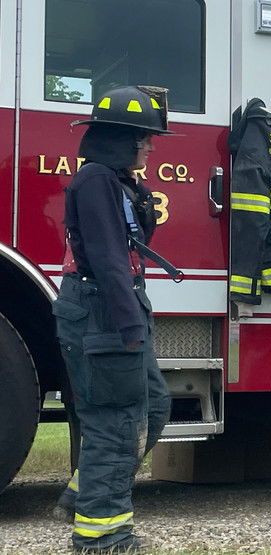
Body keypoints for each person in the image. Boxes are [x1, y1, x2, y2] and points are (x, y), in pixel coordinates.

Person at [52, 86, 175, 553]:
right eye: (144, 138)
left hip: (116, 309)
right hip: (103, 310)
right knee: (116, 422)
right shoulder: (95, 182)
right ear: (121, 139)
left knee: (155, 405)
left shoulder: (114, 181)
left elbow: (130, 240)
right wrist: (127, 326)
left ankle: (88, 488)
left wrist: (141, 196)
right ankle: (101, 534)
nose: (151, 146)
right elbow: (107, 258)